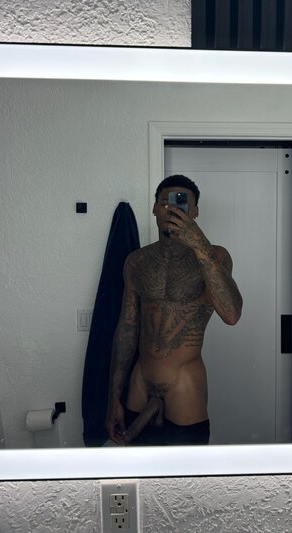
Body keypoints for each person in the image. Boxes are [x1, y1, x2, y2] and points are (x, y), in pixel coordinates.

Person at [105, 174, 243, 446]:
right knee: (137, 469)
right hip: (139, 386)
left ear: (195, 212)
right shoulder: (137, 262)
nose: (171, 209)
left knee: (186, 472)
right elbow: (127, 329)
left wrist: (199, 243)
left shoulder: (216, 256)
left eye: (181, 203)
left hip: (184, 387)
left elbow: (232, 314)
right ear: (155, 208)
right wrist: (113, 398)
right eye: (164, 202)